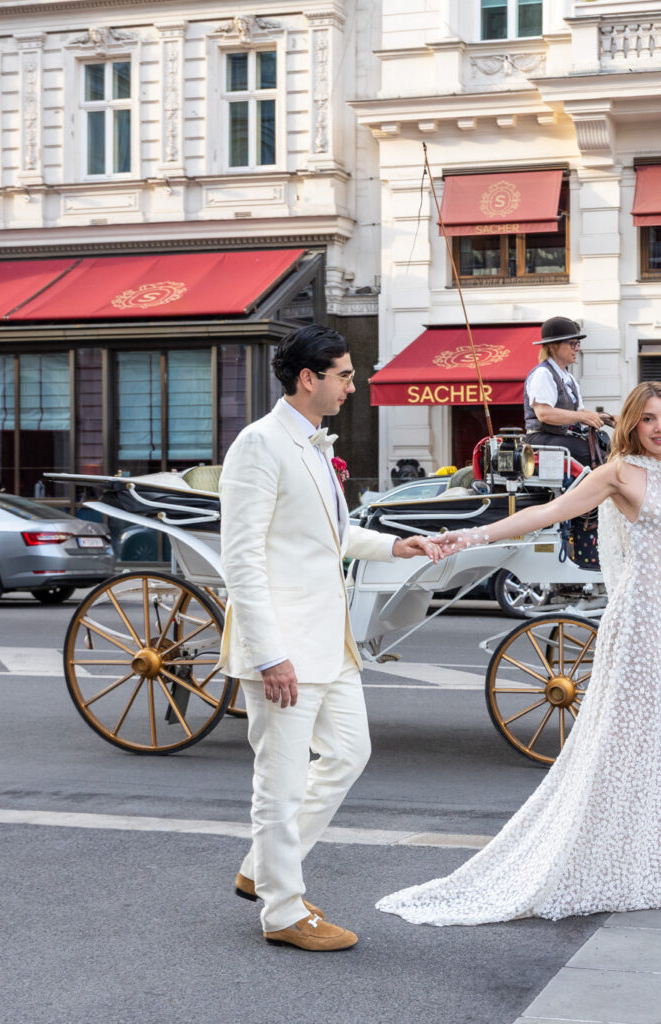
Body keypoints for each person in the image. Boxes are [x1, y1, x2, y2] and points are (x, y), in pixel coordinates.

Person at [376, 381, 661, 926]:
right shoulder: (616, 474)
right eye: (648, 418)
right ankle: (593, 863)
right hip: (631, 628)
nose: (659, 428)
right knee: (618, 746)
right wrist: (471, 535)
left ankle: (643, 867)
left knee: (658, 747)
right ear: (631, 423)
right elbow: (547, 514)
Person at [217, 325, 443, 951]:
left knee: (349, 752)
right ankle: (283, 911)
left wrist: (399, 545)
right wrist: (269, 655)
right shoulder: (259, 445)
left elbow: (331, 537)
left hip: (330, 641)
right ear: (307, 379)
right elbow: (242, 561)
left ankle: (265, 868)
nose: (353, 384)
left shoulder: (314, 446)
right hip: (285, 646)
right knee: (281, 782)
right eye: (344, 374)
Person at [524, 315, 615, 468]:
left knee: (605, 449)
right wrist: (582, 416)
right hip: (540, 438)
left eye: (577, 343)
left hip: (558, 437)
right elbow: (544, 413)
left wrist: (609, 419)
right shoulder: (543, 374)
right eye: (572, 344)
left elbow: (580, 412)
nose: (577, 348)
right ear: (553, 346)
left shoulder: (568, 378)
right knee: (594, 457)